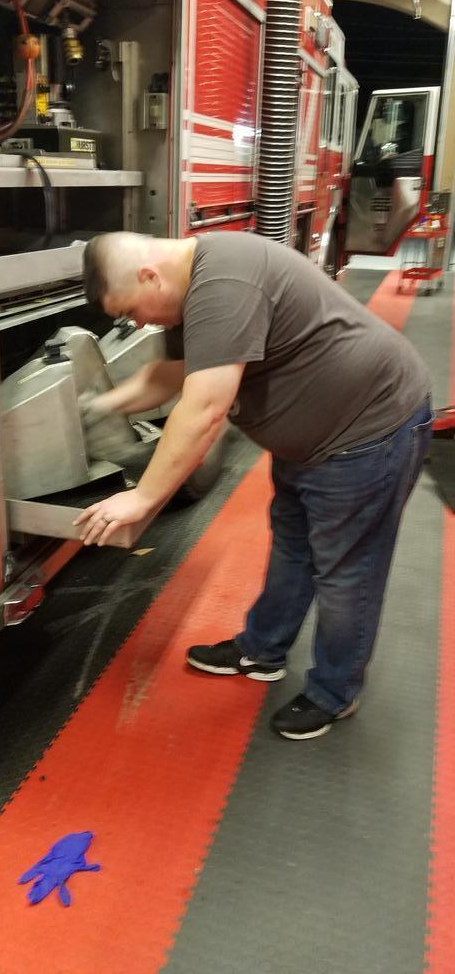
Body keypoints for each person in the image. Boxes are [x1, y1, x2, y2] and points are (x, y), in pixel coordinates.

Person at [75, 231, 433, 740]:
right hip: (312, 443)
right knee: (293, 550)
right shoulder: (189, 292)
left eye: (132, 308)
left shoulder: (222, 282)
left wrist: (144, 496)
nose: (135, 322)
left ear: (148, 276)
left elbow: (204, 407)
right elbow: (170, 374)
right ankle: (262, 650)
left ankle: (335, 692)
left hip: (368, 432)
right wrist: (96, 407)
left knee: (346, 573)